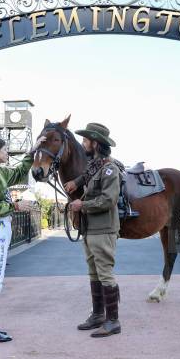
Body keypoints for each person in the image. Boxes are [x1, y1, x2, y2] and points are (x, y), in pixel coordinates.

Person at [0, 135, 45, 343]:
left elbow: (18, 173)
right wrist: (16, 206)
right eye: (5, 149)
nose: (7, 153)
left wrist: (32, 151)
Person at [65, 123, 122, 338]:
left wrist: (83, 205)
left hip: (103, 228)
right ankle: (98, 315)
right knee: (93, 273)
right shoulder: (94, 167)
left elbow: (109, 199)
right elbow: (86, 178)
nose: (82, 144)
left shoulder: (109, 169)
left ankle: (113, 321)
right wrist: (75, 183)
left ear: (95, 143)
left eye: (85, 140)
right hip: (90, 230)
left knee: (105, 274)